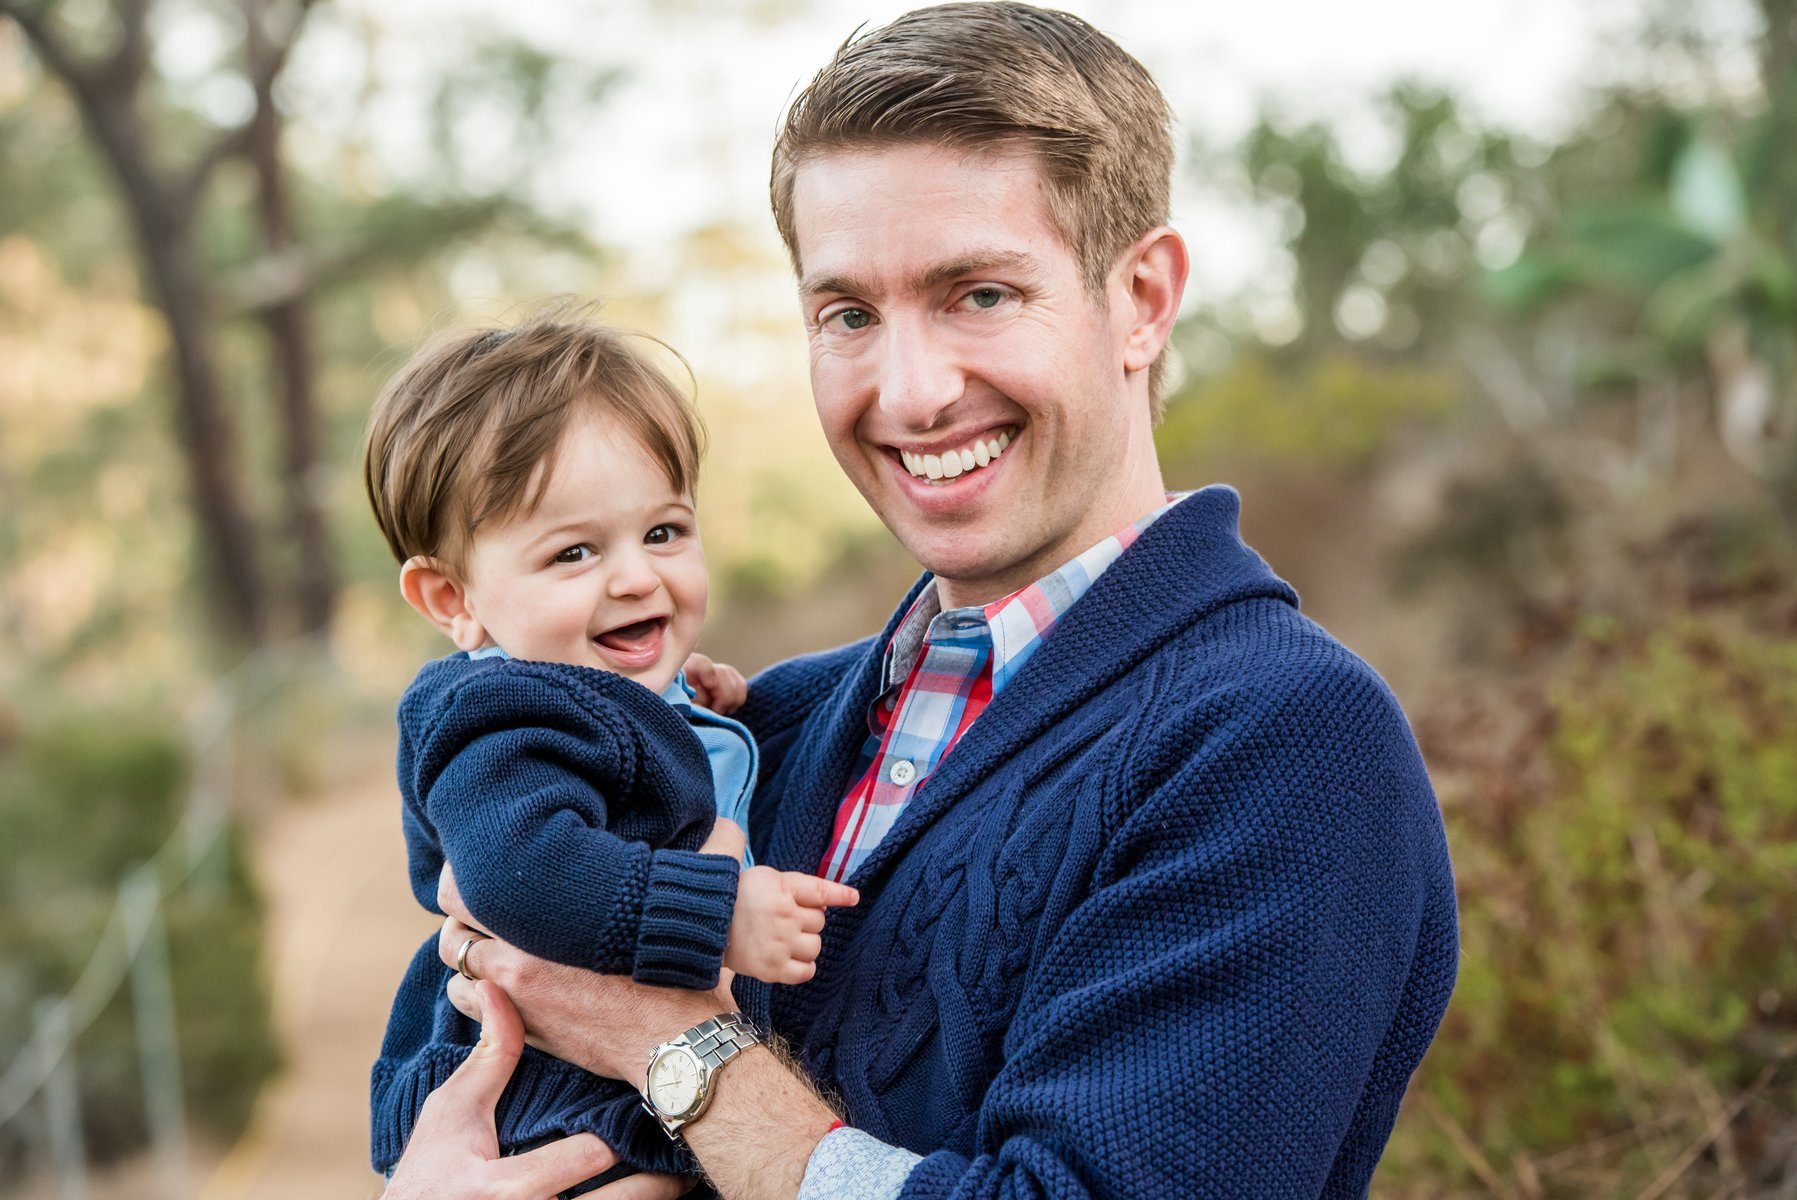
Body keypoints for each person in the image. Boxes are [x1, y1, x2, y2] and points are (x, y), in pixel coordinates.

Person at [388, 4, 1460, 1198]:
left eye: (980, 295)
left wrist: (674, 1047)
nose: (910, 390)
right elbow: (474, 1036)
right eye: (849, 313)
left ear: (1144, 300)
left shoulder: (1282, 745)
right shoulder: (769, 727)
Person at [361, 315, 858, 1192]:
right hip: (532, 1084)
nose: (635, 577)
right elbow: (519, 871)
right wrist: (718, 916)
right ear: (452, 597)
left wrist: (688, 701)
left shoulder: (587, 690)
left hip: (609, 1076)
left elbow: (632, 759)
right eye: (575, 551)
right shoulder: (492, 716)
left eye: (662, 532)